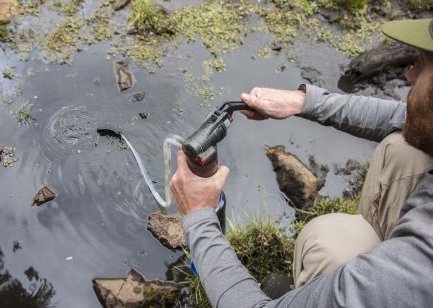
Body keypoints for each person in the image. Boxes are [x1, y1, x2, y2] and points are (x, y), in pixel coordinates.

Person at [170, 19, 433, 307]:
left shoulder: (419, 265)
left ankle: (321, 288)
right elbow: (404, 117)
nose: (410, 74)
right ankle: (369, 250)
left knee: (325, 242)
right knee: (404, 148)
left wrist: (199, 217)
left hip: (395, 285)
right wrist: (302, 102)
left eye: (423, 64)